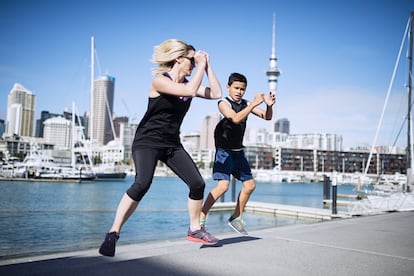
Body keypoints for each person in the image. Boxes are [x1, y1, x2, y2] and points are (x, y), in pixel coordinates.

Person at [99, 39, 222, 257]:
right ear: (178, 59)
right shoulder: (160, 81)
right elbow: (190, 90)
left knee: (197, 183)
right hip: (147, 141)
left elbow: (216, 94)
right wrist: (201, 66)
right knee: (142, 184)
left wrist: (208, 65)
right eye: (192, 60)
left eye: (196, 61)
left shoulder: (188, 83)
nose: (195, 64)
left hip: (171, 144)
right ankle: (113, 233)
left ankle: (195, 229)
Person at [200, 72, 275, 236]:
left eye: (242, 89)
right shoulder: (223, 103)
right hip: (224, 152)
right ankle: (201, 215)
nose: (239, 91)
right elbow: (234, 118)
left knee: (250, 185)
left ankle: (236, 217)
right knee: (223, 187)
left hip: (238, 152)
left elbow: (267, 117)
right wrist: (253, 104)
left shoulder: (246, 103)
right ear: (228, 87)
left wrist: (268, 105)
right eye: (236, 88)